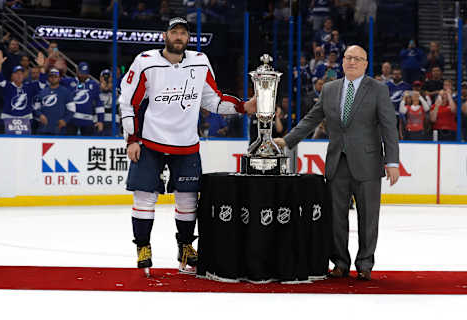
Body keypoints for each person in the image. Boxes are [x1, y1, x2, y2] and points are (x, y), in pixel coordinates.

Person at [119, 17, 256, 275]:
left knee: (188, 198)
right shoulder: (146, 62)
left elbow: (212, 100)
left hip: (187, 143)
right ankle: (143, 246)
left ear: (188, 38)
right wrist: (132, 139)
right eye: (174, 32)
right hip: (149, 141)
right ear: (165, 36)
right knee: (145, 196)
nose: (179, 36)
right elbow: (129, 103)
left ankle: (184, 246)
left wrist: (242, 106)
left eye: (183, 32)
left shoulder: (200, 61)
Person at [274, 45, 400, 281]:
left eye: (357, 59)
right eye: (348, 58)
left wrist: (392, 161)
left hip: (368, 163)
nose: (352, 62)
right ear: (342, 62)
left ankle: (364, 264)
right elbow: (312, 118)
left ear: (365, 63)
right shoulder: (330, 89)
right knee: (335, 218)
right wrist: (287, 140)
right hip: (337, 162)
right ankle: (340, 262)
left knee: (368, 217)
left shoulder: (378, 90)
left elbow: (389, 128)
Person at [61, 62, 104, 136]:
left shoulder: (94, 85)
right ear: (77, 71)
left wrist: (100, 121)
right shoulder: (69, 82)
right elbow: (53, 79)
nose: (83, 76)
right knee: (69, 144)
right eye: (81, 73)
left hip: (87, 122)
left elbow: (99, 104)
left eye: (85, 73)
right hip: (71, 121)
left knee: (88, 144)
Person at [33, 68, 75, 135]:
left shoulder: (66, 92)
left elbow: (72, 109)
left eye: (55, 76)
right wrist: (40, 115)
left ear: (59, 78)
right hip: (43, 129)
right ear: (48, 78)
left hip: (58, 129)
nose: (53, 78)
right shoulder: (42, 92)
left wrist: (65, 120)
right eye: (51, 76)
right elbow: (35, 108)